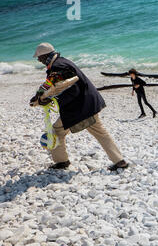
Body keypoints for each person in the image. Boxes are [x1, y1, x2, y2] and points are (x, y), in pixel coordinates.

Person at [30, 42, 129, 171]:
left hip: (80, 107)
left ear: (45, 56)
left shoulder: (58, 66)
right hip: (86, 103)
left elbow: (72, 88)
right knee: (99, 132)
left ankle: (62, 162)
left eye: (39, 57)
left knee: (57, 131)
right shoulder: (60, 63)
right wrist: (39, 95)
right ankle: (119, 161)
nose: (38, 59)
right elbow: (52, 83)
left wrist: (50, 99)